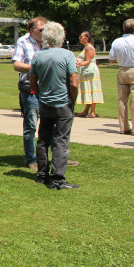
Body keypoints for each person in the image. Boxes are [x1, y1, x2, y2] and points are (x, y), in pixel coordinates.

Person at [30, 21, 79, 190]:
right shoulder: (67, 55)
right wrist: (73, 100)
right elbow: (73, 82)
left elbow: (33, 82)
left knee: (43, 139)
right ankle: (57, 178)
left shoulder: (38, 56)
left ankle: (42, 174)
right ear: (61, 37)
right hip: (63, 103)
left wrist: (40, 96)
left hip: (45, 103)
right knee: (61, 140)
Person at [12, 16, 46, 171]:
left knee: (52, 124)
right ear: (32, 30)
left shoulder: (48, 42)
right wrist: (35, 67)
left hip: (48, 88)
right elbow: (17, 65)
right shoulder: (23, 42)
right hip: (30, 89)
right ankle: (31, 159)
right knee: (31, 125)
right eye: (41, 30)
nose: (44, 32)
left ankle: (55, 157)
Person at [75, 31, 104, 118]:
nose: (80, 38)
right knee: (88, 89)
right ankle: (86, 110)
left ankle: (93, 112)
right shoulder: (86, 47)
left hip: (90, 71)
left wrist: (77, 64)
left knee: (92, 89)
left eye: (81, 37)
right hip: (86, 70)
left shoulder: (89, 48)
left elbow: (88, 61)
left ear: (86, 38)